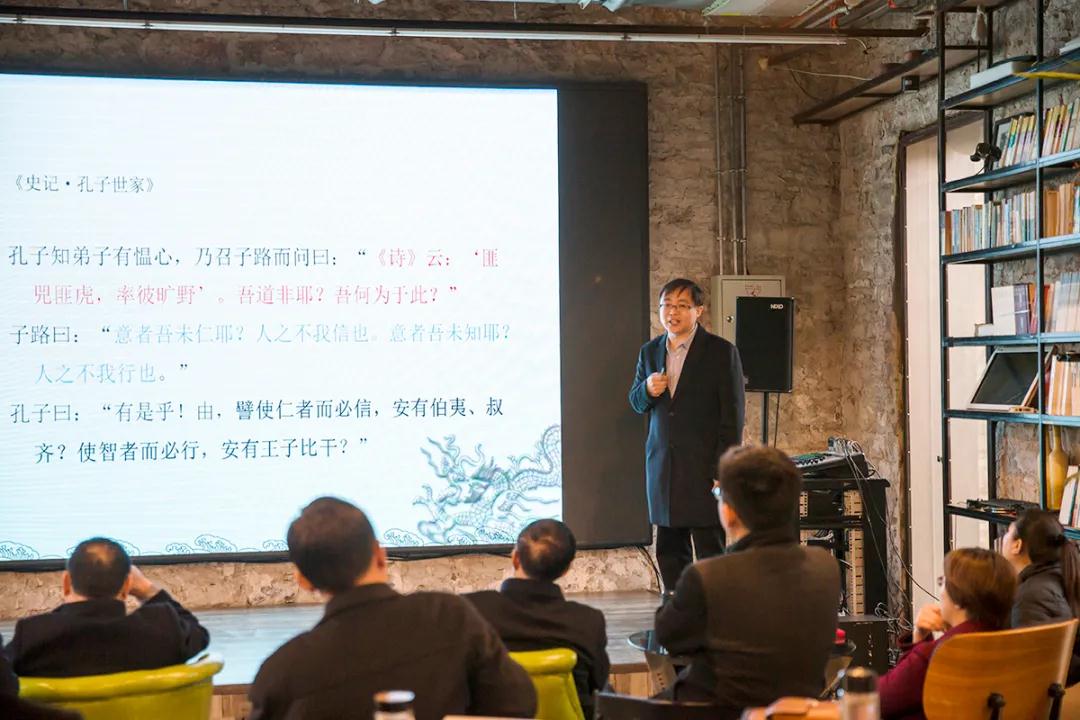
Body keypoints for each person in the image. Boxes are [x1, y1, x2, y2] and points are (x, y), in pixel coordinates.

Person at [248, 497, 536, 720]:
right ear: (380, 554)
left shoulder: (280, 675)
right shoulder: (450, 616)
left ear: (303, 580)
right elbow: (520, 704)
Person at [654, 446, 838, 718]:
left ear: (729, 513)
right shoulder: (826, 567)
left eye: (719, 494)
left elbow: (669, 637)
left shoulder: (707, 576)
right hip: (794, 713)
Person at [629, 278, 746, 592]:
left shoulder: (721, 352)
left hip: (703, 469)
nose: (673, 312)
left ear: (699, 311)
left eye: (682, 306)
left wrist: (721, 470)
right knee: (669, 550)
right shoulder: (650, 351)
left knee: (710, 552)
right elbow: (636, 403)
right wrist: (647, 389)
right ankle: (677, 609)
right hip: (663, 468)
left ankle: (715, 613)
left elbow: (732, 418)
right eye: (667, 305)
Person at [3, 538, 209, 677]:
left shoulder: (34, 636)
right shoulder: (164, 630)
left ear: (66, 582)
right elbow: (198, 634)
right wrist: (148, 590)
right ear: (127, 586)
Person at [466, 519, 610, 717]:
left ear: (515, 558)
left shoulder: (470, 610)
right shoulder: (588, 622)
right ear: (566, 569)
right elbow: (599, 685)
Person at [879, 547, 1015, 720]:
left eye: (943, 582)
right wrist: (919, 638)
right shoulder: (1011, 645)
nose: (940, 590)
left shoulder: (937, 655)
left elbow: (878, 700)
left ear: (960, 597)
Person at [1000, 508, 1080, 685]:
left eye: (1008, 532)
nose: (1003, 538)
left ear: (1017, 545)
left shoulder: (1031, 596)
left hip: (1057, 695)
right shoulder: (1061, 576)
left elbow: (1033, 670)